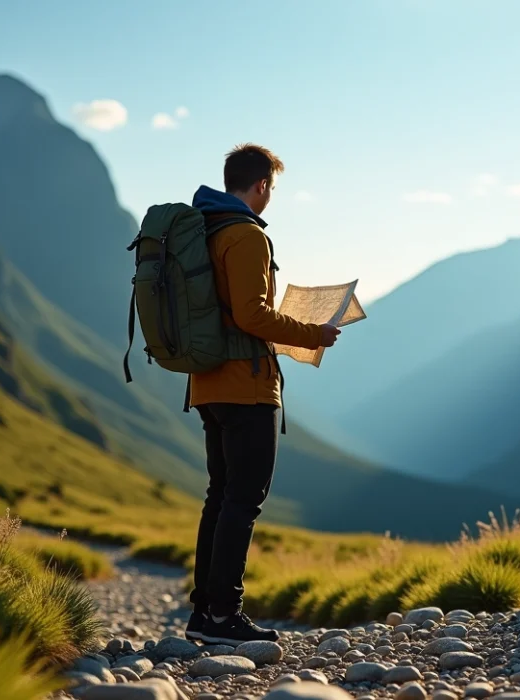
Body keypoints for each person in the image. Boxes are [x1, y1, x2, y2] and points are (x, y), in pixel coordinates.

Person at [183, 143, 341, 644]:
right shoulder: (245, 235)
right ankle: (225, 616)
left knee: (220, 496)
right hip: (247, 386)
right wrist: (315, 333)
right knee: (244, 499)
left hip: (207, 382)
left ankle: (204, 613)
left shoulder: (202, 229)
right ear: (262, 186)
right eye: (271, 187)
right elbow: (252, 315)